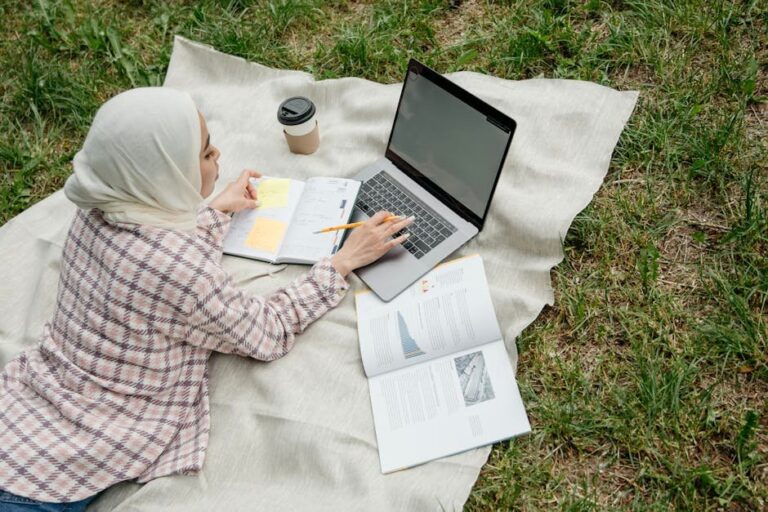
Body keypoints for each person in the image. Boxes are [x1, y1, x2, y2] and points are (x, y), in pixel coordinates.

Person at [0, 87, 413, 510]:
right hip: (48, 480)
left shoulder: (96, 208)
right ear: (162, 175)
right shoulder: (177, 269)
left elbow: (152, 253)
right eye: (203, 153)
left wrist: (215, 212)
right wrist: (344, 260)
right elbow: (266, 332)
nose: (217, 155)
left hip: (16, 421)